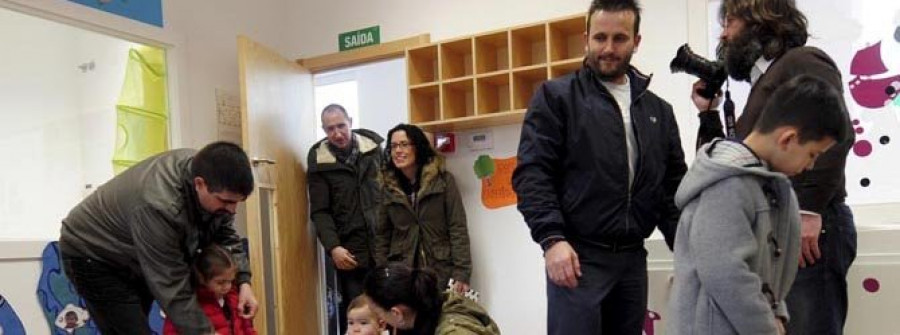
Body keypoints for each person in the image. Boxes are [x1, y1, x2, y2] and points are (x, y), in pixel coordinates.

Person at [512, 0, 687, 333]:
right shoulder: (556, 97)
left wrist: (688, 248)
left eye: (619, 38)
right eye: (600, 37)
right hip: (577, 258)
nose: (608, 48)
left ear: (636, 41)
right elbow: (532, 174)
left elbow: (672, 189)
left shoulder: (658, 111)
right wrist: (551, 239)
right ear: (586, 39)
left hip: (632, 261)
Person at [691, 1, 856, 333]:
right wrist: (708, 113)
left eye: (731, 22)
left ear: (762, 20)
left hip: (809, 229)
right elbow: (727, 164)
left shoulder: (802, 62)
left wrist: (808, 210)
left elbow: (835, 133)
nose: (724, 33)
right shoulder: (764, 84)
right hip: (783, 231)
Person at [668, 75, 851, 335]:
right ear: (787, 139)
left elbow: (770, 273)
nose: (811, 165)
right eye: (813, 154)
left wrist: (776, 313)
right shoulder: (727, 185)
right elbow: (725, 273)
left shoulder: (773, 185)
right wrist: (765, 326)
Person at [59, 141, 259, 335]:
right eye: (225, 201)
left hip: (134, 252)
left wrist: (244, 282)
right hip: (93, 253)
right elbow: (172, 283)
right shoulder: (159, 205)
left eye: (237, 202)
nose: (232, 210)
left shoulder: (208, 171)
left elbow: (225, 234)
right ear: (199, 184)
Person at [307, 104, 384, 334]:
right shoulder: (319, 161)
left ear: (350, 121)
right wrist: (333, 248)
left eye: (341, 126)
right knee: (357, 318)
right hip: (350, 253)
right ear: (323, 130)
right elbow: (320, 211)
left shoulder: (375, 150)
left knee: (388, 313)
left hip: (383, 246)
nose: (337, 133)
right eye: (330, 129)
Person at [374, 124, 472, 293]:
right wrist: (384, 272)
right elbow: (382, 235)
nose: (398, 150)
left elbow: (457, 227)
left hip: (439, 268)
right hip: (403, 271)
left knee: (443, 317)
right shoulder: (387, 188)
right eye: (394, 146)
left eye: (404, 144)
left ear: (417, 147)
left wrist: (462, 273)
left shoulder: (443, 181)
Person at [363, 263, 499, 335]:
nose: (380, 321)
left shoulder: (455, 331)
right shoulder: (435, 307)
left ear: (396, 313)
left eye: (378, 314)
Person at [163, 244, 257, 335]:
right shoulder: (188, 305)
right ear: (202, 278)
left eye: (230, 281)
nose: (227, 287)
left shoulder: (235, 298)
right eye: (220, 282)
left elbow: (247, 328)